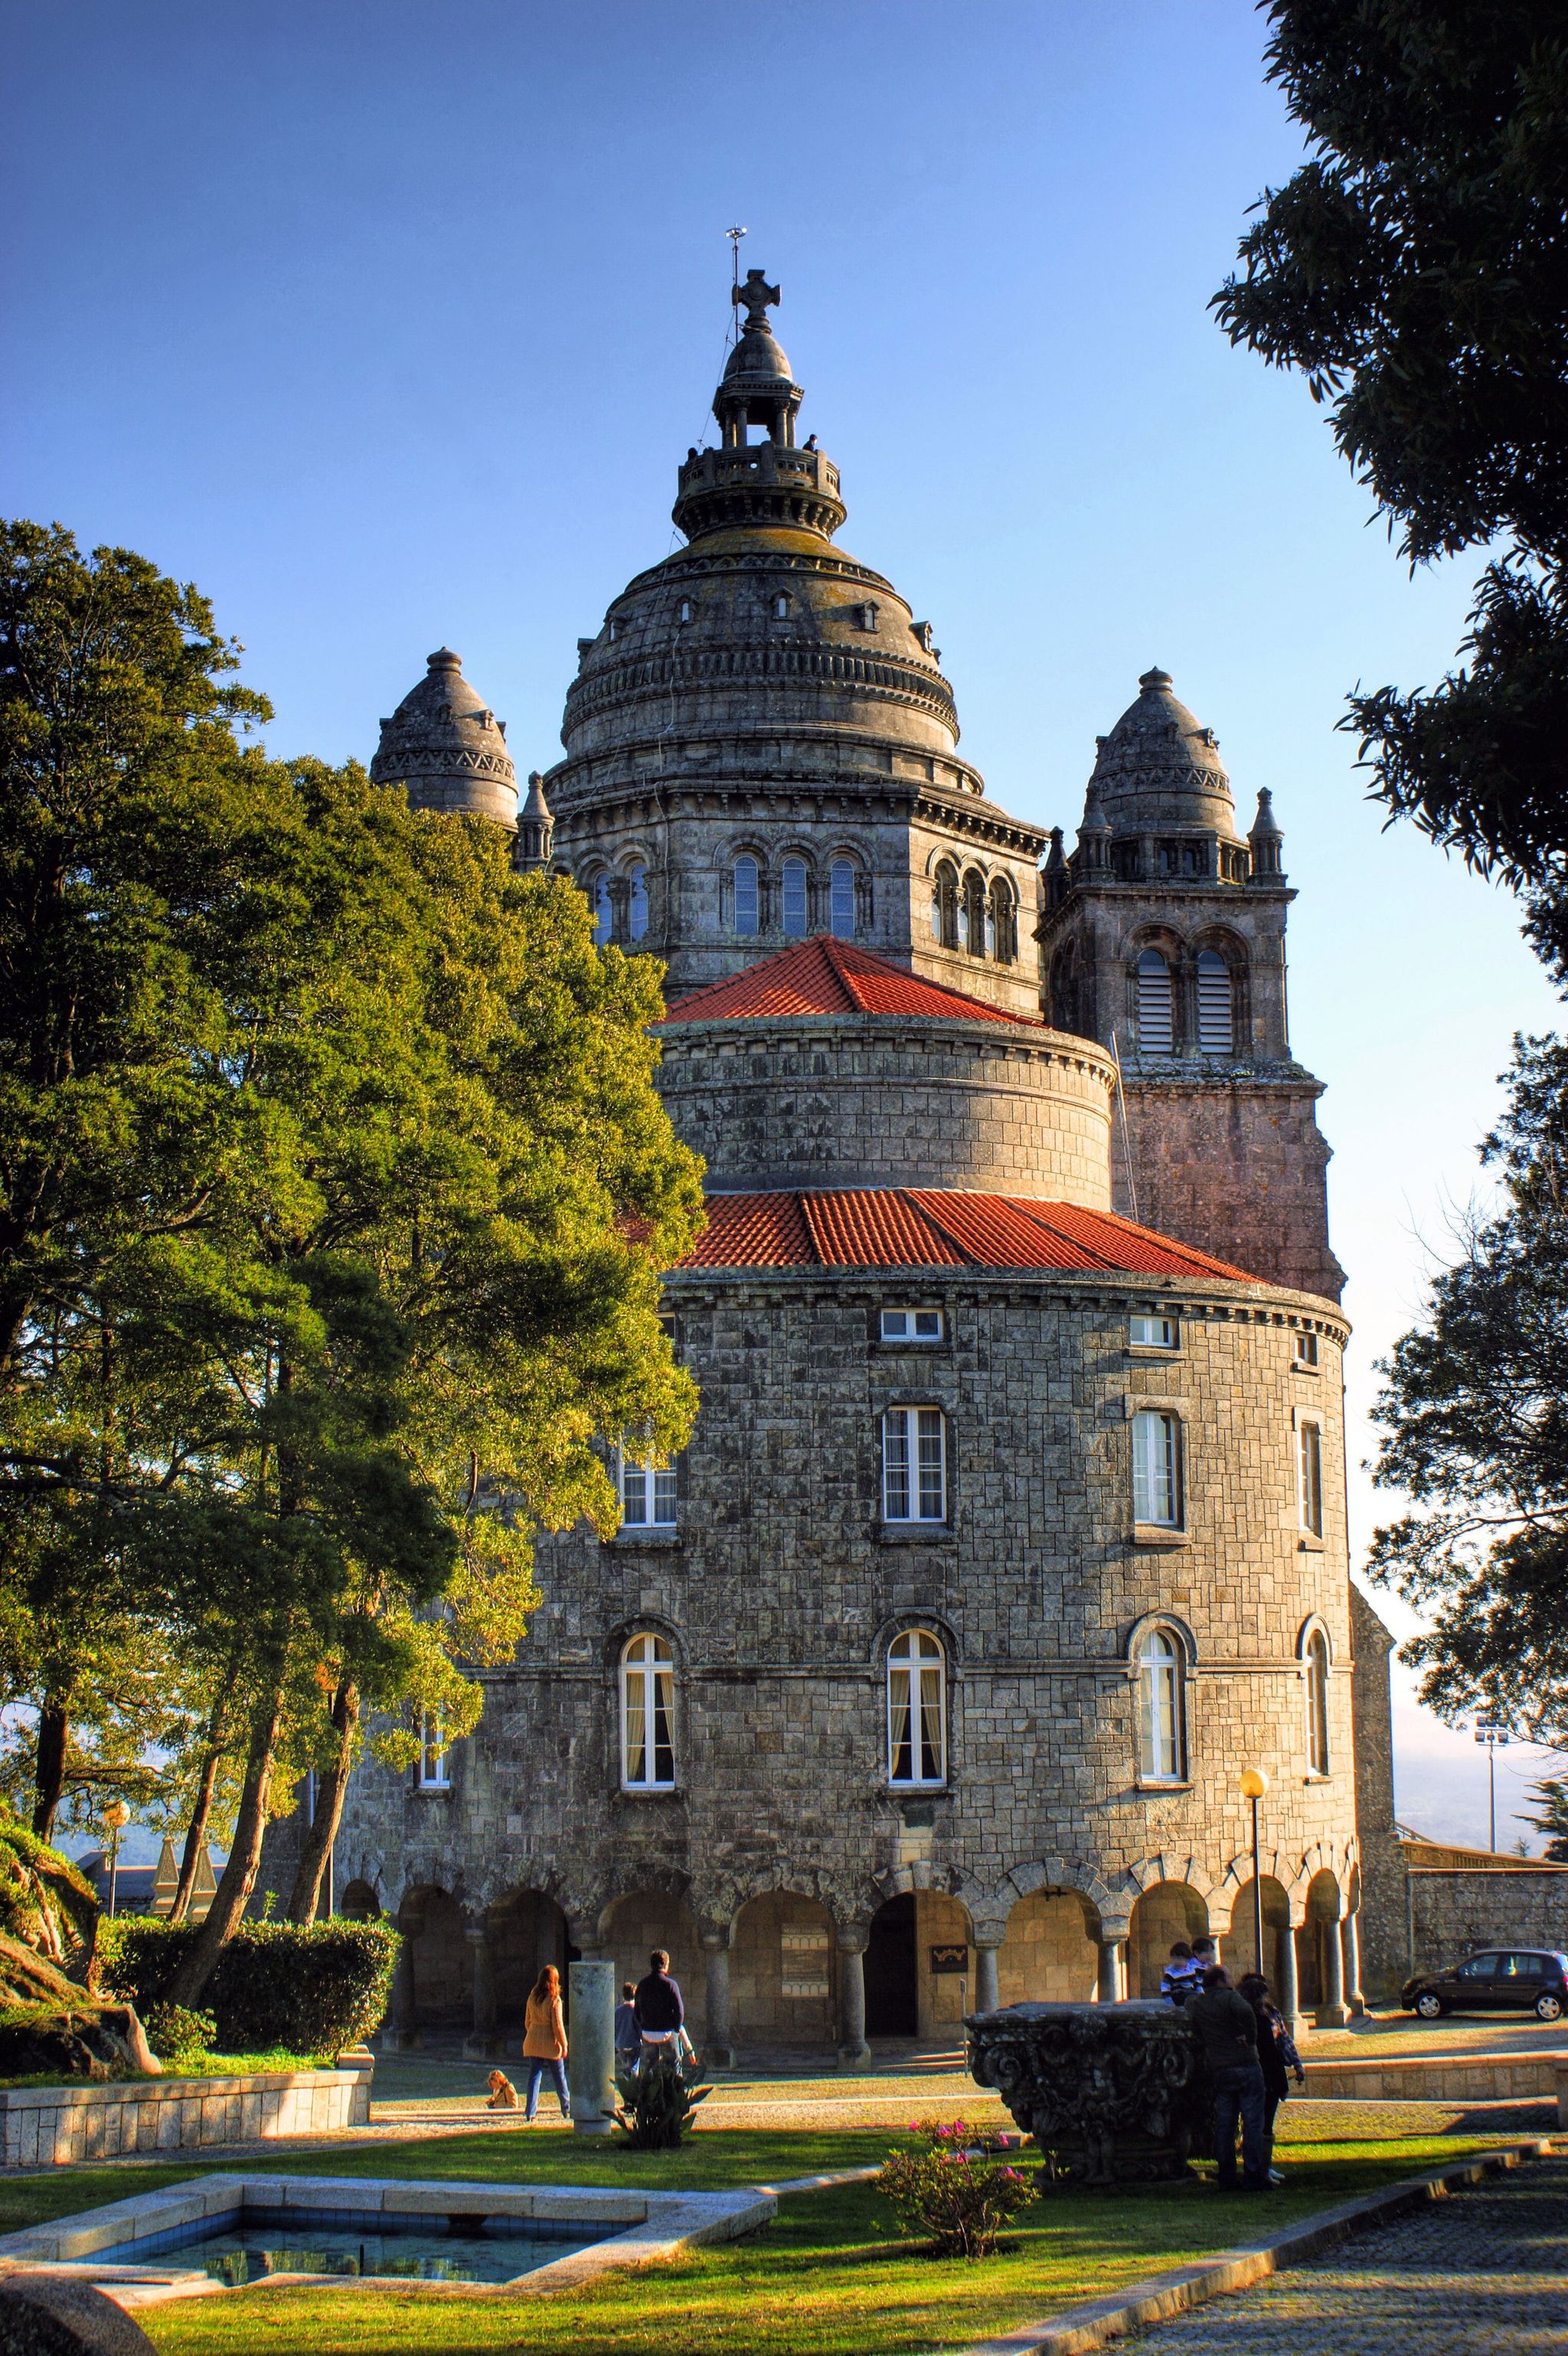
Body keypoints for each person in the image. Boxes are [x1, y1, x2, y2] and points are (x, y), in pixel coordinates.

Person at [1185, 1965, 1269, 2191]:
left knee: (1225, 2124)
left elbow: (1189, 2008)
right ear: (1221, 1982)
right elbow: (1247, 2013)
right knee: (1252, 2122)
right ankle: (1253, 2176)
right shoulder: (1231, 1998)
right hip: (1245, 2064)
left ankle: (1227, 2175)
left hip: (1220, 2068)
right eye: (1229, 1977)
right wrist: (1250, 2038)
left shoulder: (1199, 2003)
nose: (1232, 1981)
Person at [1238, 1972, 1305, 2185]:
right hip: (1258, 2072)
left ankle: (1265, 2165)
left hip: (1271, 2071)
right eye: (1262, 1994)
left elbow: (1285, 2039)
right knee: (1256, 2122)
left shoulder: (1272, 2013)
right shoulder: (1248, 2017)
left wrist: (1297, 2064)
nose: (1265, 1998)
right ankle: (1257, 2168)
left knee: (1267, 2122)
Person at [521, 1964, 570, 2123]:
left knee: (534, 2077)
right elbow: (558, 2025)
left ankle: (530, 2111)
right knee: (559, 2077)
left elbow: (527, 2021)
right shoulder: (555, 1999)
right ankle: (566, 2108)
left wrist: (533, 2031)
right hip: (551, 2043)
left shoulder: (532, 1996)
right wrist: (564, 2044)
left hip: (533, 2040)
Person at [633, 1946, 684, 2067]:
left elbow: (637, 2010)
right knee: (673, 2068)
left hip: (648, 2031)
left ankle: (648, 2079)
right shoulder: (671, 1984)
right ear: (665, 1964)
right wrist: (676, 2029)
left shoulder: (642, 1984)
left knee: (650, 2068)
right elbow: (679, 2011)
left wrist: (642, 2026)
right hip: (667, 2031)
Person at [614, 1980, 641, 2079]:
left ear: (623, 1996)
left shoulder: (617, 2011)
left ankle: (627, 2077)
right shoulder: (636, 2011)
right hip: (634, 2045)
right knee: (634, 2071)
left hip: (620, 2045)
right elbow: (639, 2029)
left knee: (626, 2068)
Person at [1159, 1941, 1199, 2005]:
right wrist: (1170, 2003)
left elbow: (1196, 1983)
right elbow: (1165, 1988)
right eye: (1173, 1958)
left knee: (1198, 1996)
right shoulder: (1170, 1973)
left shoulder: (1190, 1970)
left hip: (1189, 1993)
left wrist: (1201, 1993)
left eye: (1179, 1959)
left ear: (1187, 1959)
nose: (1176, 1961)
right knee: (1192, 1996)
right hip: (1177, 1995)